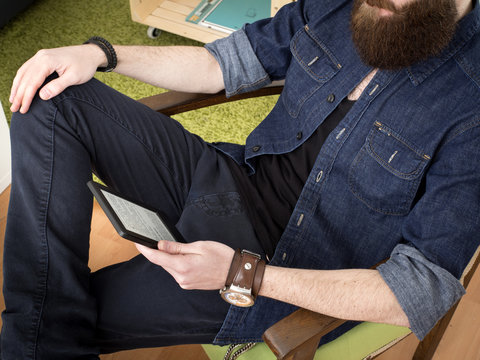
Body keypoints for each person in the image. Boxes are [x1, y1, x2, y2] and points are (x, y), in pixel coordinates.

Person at [2, 0, 480, 358]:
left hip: (280, 273)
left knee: (49, 318)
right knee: (51, 94)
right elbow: (222, 64)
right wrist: (100, 53)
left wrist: (243, 273)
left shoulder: (471, 102)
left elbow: (424, 289)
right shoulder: (340, 3)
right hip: (226, 180)